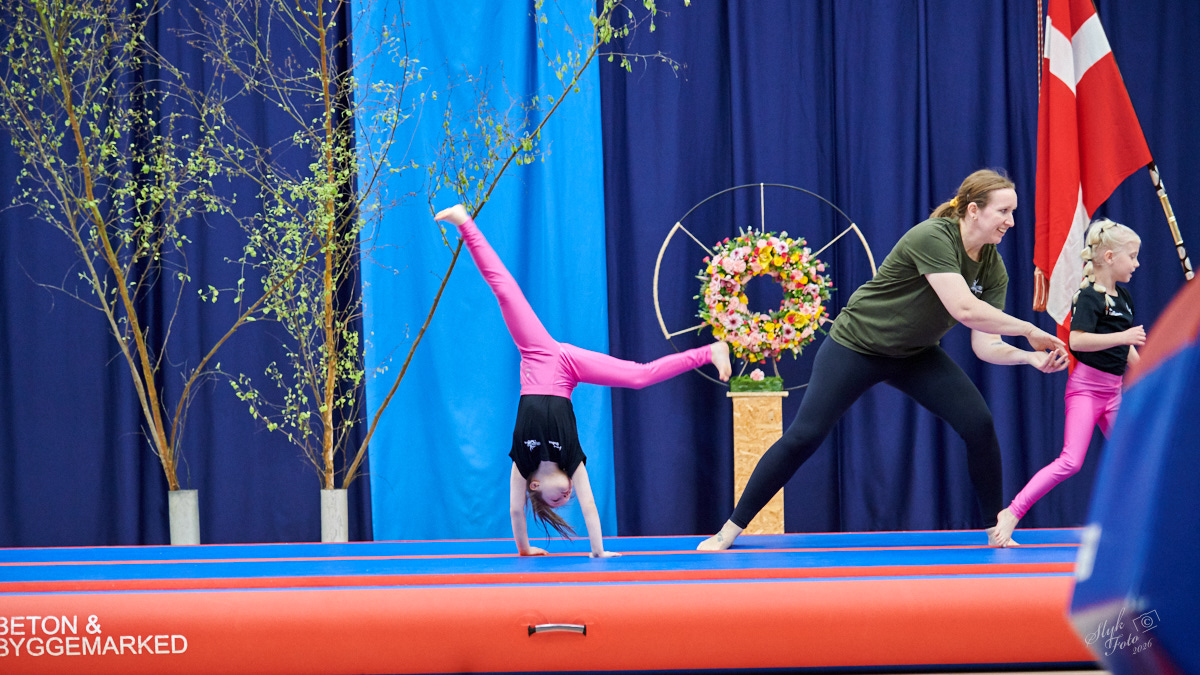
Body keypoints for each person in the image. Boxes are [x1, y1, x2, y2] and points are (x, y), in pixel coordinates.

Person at [697, 169, 1069, 552]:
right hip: (856, 345)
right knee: (804, 436)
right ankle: (729, 530)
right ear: (973, 210)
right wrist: (1028, 329)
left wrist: (1028, 358)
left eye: (1013, 212)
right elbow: (964, 308)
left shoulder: (992, 267)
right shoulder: (933, 236)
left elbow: (986, 344)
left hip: (915, 354)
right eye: (1003, 211)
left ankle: (995, 532)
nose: (1011, 222)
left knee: (979, 424)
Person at [434, 204, 732, 558]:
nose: (567, 497)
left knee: (505, 291)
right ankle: (709, 351)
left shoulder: (522, 462)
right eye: (567, 499)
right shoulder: (571, 458)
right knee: (639, 376)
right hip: (569, 370)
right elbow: (590, 506)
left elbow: (515, 511)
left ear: (534, 485)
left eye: (555, 501)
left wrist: (525, 549)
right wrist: (598, 551)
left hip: (539, 353)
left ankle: (464, 222)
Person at [990, 218, 1144, 545]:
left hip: (1114, 392)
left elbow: (1126, 345)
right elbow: (1078, 341)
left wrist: (1145, 370)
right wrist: (1123, 336)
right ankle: (1012, 512)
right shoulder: (1088, 296)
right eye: (1132, 256)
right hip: (1086, 391)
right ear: (1109, 257)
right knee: (1071, 461)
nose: (1137, 263)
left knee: (1137, 457)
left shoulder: (1124, 297)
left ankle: (1132, 528)